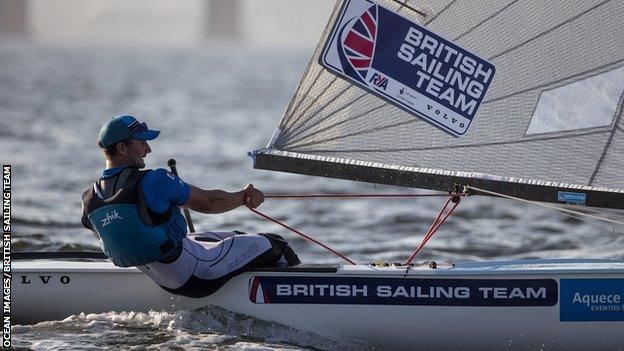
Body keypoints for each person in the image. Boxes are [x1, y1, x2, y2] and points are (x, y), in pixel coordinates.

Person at [81, 115, 300, 298]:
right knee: (276, 244)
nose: (148, 149)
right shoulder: (154, 180)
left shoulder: (89, 200)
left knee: (235, 235)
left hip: (164, 278)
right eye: (141, 142)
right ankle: (294, 296)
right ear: (122, 148)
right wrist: (245, 196)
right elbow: (210, 202)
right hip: (199, 276)